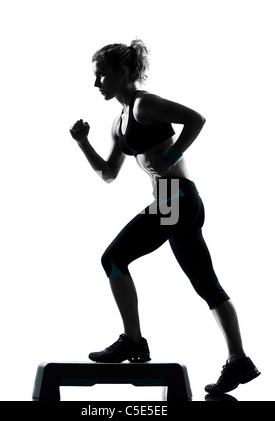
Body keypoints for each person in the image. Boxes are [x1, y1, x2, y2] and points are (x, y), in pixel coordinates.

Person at [70, 39, 260, 395]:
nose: (97, 84)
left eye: (102, 76)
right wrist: (83, 144)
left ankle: (133, 341)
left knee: (113, 258)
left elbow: (196, 119)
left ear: (123, 73)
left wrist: (172, 154)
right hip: (178, 202)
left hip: (176, 199)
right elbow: (109, 173)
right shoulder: (119, 121)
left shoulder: (144, 105)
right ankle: (239, 360)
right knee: (207, 285)